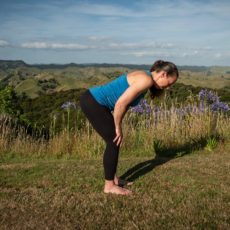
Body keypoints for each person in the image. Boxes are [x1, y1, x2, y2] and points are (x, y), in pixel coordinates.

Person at [79, 60, 179, 196]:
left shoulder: (145, 77)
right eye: (170, 83)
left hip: (94, 102)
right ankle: (109, 186)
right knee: (114, 140)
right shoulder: (146, 80)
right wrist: (117, 126)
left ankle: (114, 179)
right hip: (93, 102)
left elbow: (125, 105)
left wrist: (117, 124)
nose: (168, 87)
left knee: (115, 140)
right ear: (163, 74)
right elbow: (120, 103)